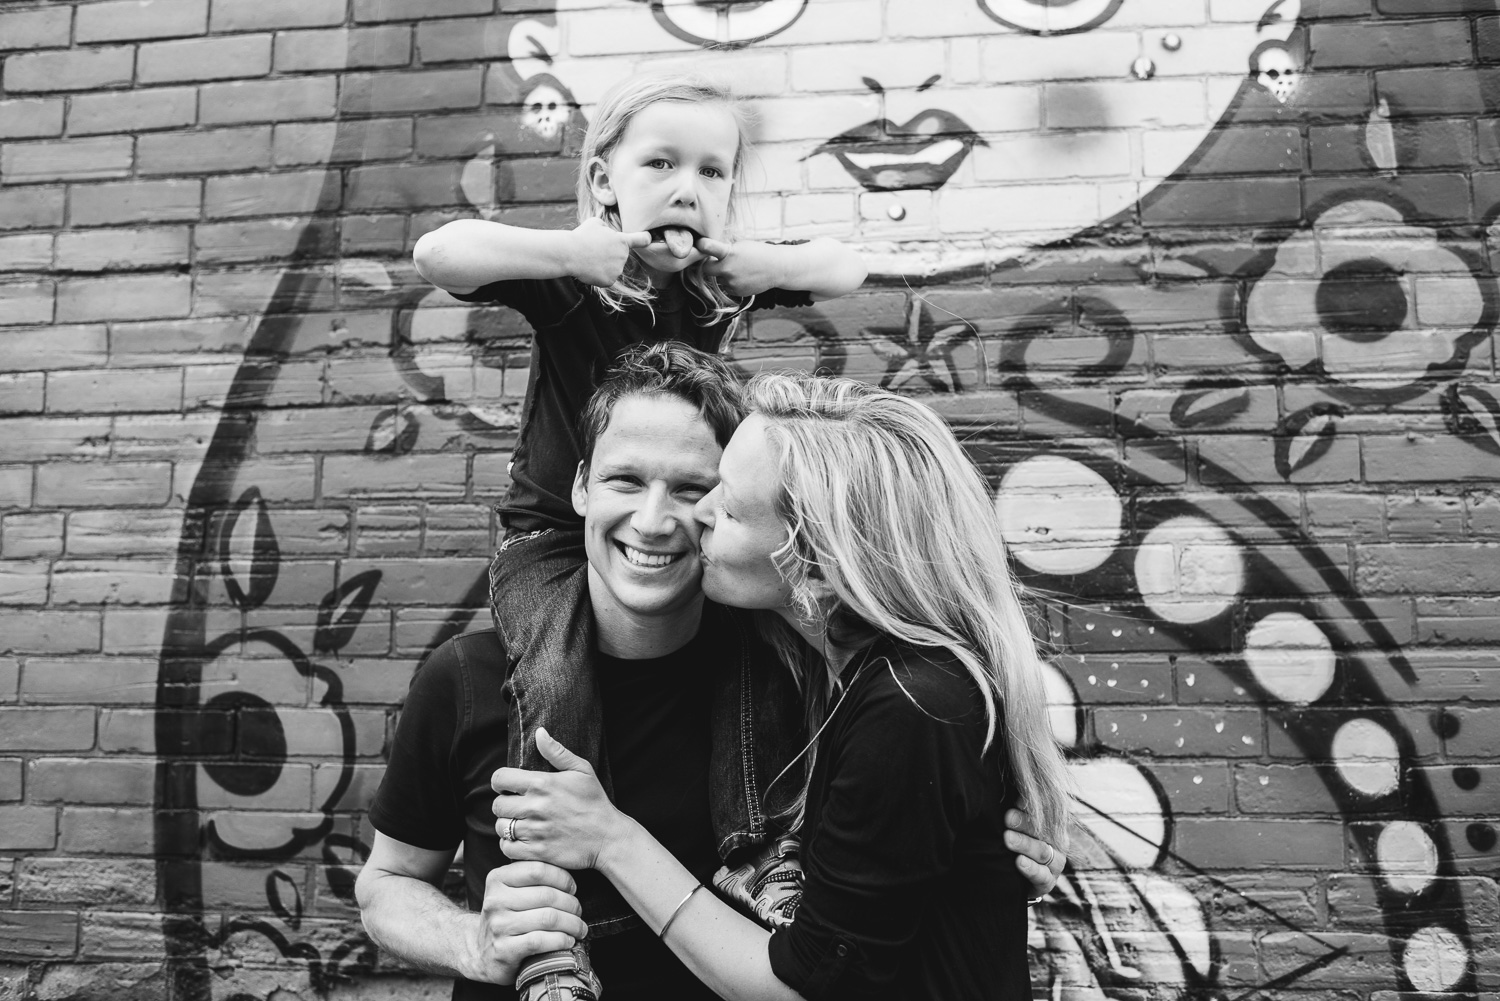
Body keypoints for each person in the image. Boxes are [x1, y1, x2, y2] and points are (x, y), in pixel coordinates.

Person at [356, 347, 1069, 1001]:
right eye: (625, 480)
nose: (658, 519)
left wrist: (987, 843)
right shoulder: (468, 678)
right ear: (579, 487)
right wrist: (474, 942)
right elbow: (385, 884)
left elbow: (872, 893)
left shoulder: (802, 683)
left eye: (704, 492)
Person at [409, 71, 867, 998]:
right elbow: (441, 253)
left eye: (712, 169)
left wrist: (766, 266)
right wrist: (572, 249)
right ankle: (551, 930)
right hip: (553, 536)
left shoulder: (710, 293)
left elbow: (847, 268)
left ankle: (760, 856)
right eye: (659, 162)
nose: (687, 186)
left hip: (688, 527)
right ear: (605, 177)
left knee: (770, 648)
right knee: (550, 670)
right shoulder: (579, 287)